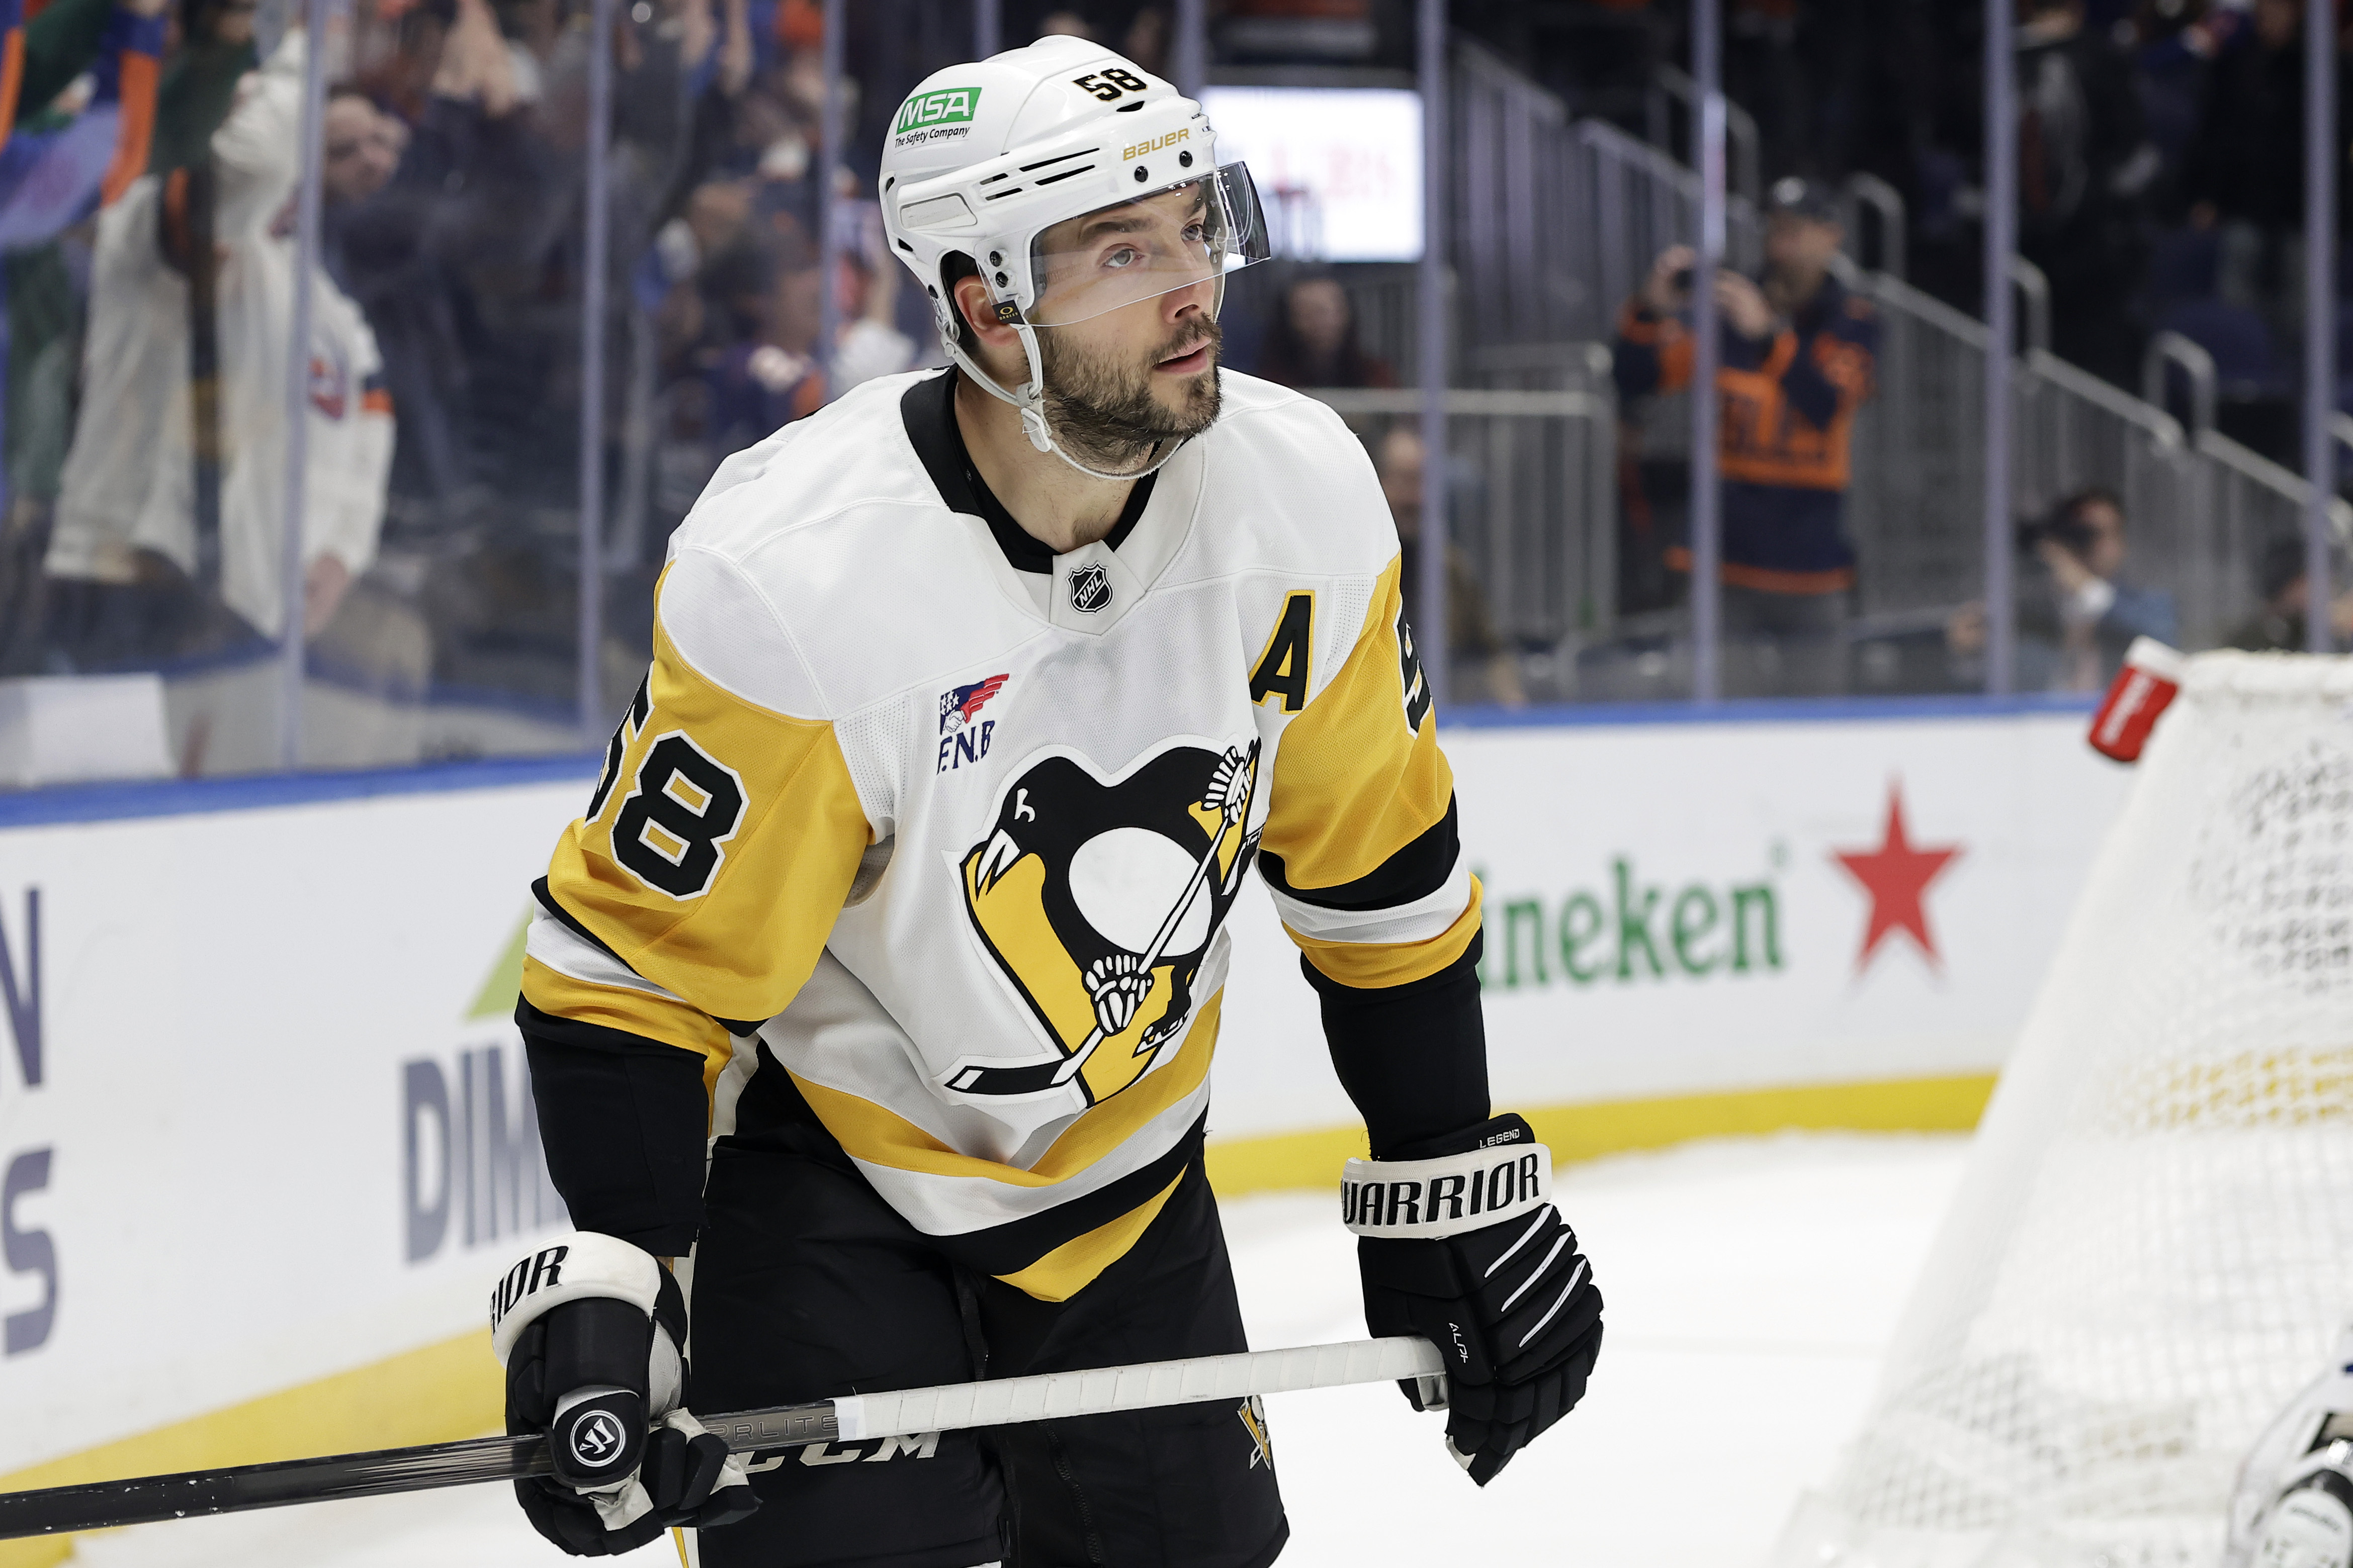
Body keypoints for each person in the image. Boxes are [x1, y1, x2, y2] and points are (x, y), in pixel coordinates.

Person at [489, 36, 1604, 1568]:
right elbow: (632, 972)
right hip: (824, 1182)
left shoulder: (1305, 498)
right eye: (1119, 249)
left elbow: (1376, 869)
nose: (1190, 285)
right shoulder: (798, 575)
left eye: (1192, 226)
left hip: (1127, 1188)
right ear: (978, 303)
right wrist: (620, 1277)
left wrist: (1440, 1164)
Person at [1614, 175, 1879, 696]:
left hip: (1811, 566)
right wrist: (1649, 310)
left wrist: (1769, 336)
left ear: (1831, 237)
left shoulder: (1853, 324)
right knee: (1709, 725)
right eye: (1775, 231)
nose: (1782, 246)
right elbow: (1636, 377)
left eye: (1796, 232)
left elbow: (1823, 404)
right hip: (1722, 563)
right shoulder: (1724, 315)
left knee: (1819, 729)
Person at [1946, 487, 2180, 690]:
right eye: (2088, 534)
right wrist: (1968, 650)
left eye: (2110, 533)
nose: (2100, 546)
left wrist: (2087, 588)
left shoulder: (2148, 602)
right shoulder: (2034, 606)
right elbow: (1991, 681)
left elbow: (2163, 639)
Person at [1377, 424, 1524, 706]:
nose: (1416, 498)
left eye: (1423, 483)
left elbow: (1491, 649)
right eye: (1407, 481)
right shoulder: (1356, 570)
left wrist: (1512, 700)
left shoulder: (1449, 567)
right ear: (1381, 483)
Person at [1256, 270, 1396, 389]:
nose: (1320, 323)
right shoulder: (1270, 382)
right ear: (1289, 319)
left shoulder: (1376, 376)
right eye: (1307, 313)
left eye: (1328, 311)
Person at [2226, 534, 2353, 654]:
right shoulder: (2260, 636)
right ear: (2292, 585)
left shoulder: (2307, 629)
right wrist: (2328, 624)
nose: (2331, 589)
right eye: (2319, 579)